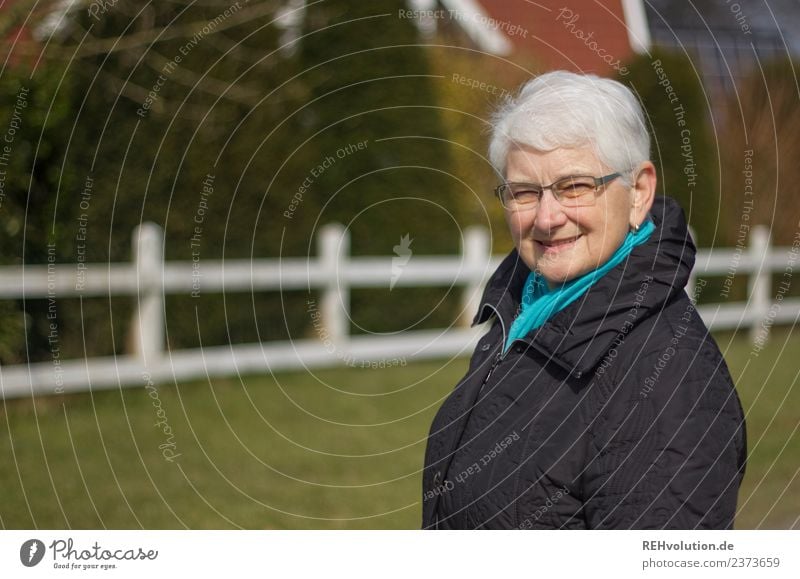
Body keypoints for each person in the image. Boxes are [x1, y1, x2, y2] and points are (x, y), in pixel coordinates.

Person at [422, 71, 747, 529]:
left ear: (638, 192)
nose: (547, 217)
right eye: (525, 192)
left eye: (575, 186)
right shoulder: (526, 311)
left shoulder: (669, 380)